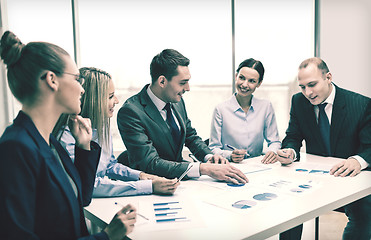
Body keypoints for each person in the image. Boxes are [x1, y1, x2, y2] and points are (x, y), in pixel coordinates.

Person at [0, 31, 136, 240]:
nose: (82, 89)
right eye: (77, 79)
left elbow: (81, 199)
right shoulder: (16, 147)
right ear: (52, 80)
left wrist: (84, 148)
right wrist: (106, 236)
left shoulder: (48, 142)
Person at [117, 49, 248, 184]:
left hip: (178, 180)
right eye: (182, 83)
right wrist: (204, 169)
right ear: (162, 81)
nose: (188, 88)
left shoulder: (176, 100)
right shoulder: (131, 112)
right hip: (152, 184)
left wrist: (208, 157)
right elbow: (150, 163)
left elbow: (190, 136)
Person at [277, 57, 371, 240]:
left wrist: (357, 160)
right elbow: (293, 137)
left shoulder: (361, 104)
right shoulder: (298, 102)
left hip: (351, 181)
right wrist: (290, 151)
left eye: (312, 84)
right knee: (287, 208)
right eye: (303, 87)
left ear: (328, 77)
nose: (308, 92)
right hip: (315, 179)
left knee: (365, 213)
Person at [56, 67, 179, 197]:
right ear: (93, 100)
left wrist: (142, 176)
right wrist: (149, 186)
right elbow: (89, 184)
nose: (116, 101)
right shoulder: (66, 137)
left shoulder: (101, 127)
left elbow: (109, 166)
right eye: (110, 96)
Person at [209, 58, 281, 163]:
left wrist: (272, 152)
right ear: (236, 76)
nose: (245, 85)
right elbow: (213, 148)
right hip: (230, 166)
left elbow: (274, 142)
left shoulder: (266, 107)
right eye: (242, 78)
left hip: (259, 166)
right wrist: (230, 155)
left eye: (252, 81)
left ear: (259, 83)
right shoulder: (220, 109)